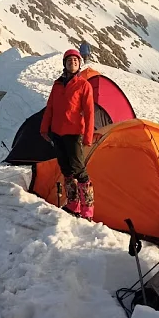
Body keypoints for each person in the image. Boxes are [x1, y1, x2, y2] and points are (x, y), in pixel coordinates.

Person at [40, 49, 95, 219]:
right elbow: (50, 108)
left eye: (75, 61)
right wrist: (44, 128)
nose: (72, 63)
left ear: (79, 64)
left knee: (79, 170)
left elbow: (89, 112)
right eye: (69, 61)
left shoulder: (83, 85)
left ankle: (87, 209)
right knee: (66, 170)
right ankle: (73, 204)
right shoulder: (57, 85)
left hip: (74, 132)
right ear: (64, 63)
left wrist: (88, 135)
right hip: (57, 132)